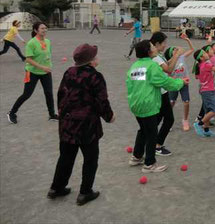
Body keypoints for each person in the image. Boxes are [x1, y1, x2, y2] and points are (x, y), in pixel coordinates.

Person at [48, 44, 115, 206]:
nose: (97, 57)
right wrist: (109, 116)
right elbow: (101, 101)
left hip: (68, 124)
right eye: (95, 56)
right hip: (87, 126)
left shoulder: (68, 72)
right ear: (91, 61)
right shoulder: (95, 76)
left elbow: (60, 96)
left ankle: (56, 188)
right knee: (90, 159)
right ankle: (85, 192)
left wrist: (64, 115)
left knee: (66, 157)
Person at [126, 40, 187, 173]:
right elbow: (165, 82)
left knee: (143, 130)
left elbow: (130, 85)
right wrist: (180, 82)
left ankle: (136, 156)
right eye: (153, 46)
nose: (155, 47)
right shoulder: (152, 66)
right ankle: (149, 164)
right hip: (148, 105)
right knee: (152, 134)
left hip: (136, 104)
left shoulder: (134, 66)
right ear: (149, 51)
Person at [8, 22, 58, 124]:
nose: (45, 30)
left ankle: (52, 115)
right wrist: (42, 67)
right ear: (36, 30)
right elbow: (28, 60)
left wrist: (48, 66)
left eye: (45, 28)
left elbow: (48, 54)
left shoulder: (48, 41)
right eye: (42, 28)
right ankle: (12, 113)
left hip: (45, 72)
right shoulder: (31, 43)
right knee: (27, 94)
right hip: (32, 72)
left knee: (49, 93)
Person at [150, 32, 184, 156]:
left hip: (162, 91)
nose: (165, 45)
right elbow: (169, 69)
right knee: (168, 119)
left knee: (157, 119)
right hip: (160, 92)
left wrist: (174, 56)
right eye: (164, 43)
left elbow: (166, 65)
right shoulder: (154, 57)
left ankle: (151, 143)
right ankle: (157, 145)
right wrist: (176, 54)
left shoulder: (157, 55)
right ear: (157, 43)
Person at [192, 47, 215, 137]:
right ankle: (199, 124)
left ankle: (206, 130)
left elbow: (198, 76)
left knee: (208, 111)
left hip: (205, 89)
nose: (207, 53)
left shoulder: (200, 65)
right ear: (201, 57)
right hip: (208, 90)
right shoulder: (206, 64)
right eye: (205, 53)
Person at [165, 34, 195, 131]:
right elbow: (166, 68)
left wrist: (187, 40)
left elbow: (191, 50)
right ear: (171, 53)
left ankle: (185, 120)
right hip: (173, 84)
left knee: (186, 102)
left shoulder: (181, 57)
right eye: (174, 49)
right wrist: (174, 56)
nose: (176, 49)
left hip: (184, 83)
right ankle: (167, 120)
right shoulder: (168, 62)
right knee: (171, 103)